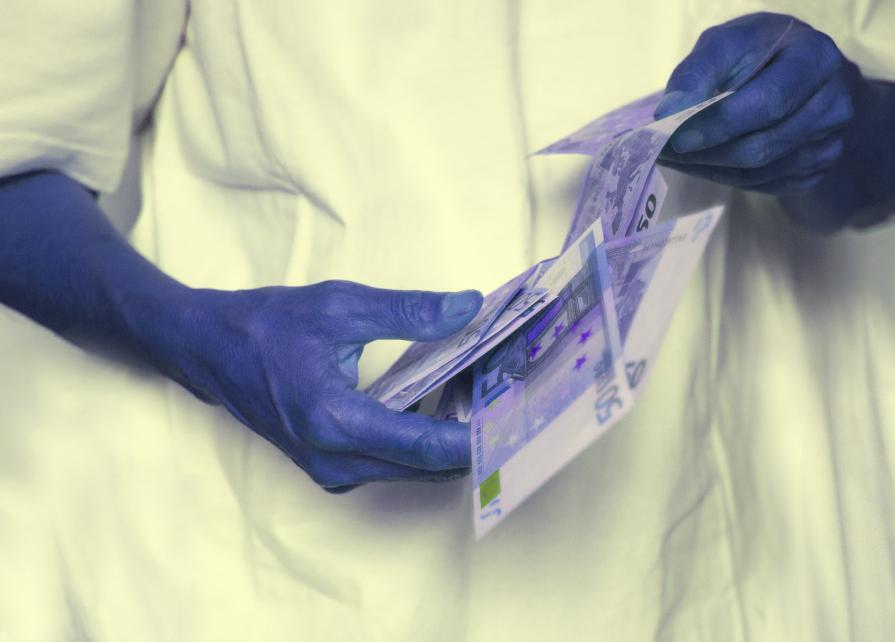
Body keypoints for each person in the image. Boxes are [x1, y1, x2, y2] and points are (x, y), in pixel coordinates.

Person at [0, 3, 892, 640]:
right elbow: (15, 155)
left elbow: (871, 159)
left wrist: (836, 127)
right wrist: (204, 342)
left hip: (738, 533)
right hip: (290, 582)